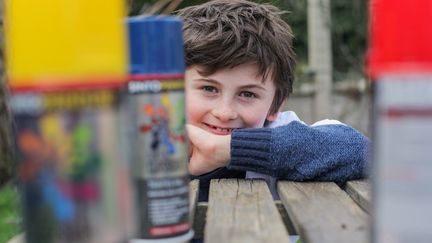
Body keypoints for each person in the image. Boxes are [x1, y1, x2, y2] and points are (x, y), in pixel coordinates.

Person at [177, 0, 369, 201]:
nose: (224, 113)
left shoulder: (277, 132)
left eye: (247, 94)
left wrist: (224, 150)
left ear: (275, 105)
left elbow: (361, 151)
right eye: (209, 89)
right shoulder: (150, 140)